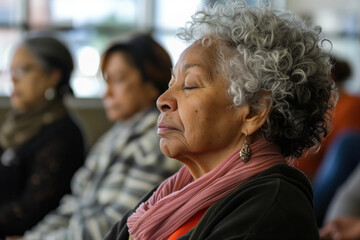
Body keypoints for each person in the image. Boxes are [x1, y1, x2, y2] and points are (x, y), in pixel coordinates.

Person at [104, 1, 335, 240]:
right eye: (171, 84)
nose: (163, 100)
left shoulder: (271, 211)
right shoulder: (174, 192)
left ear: (254, 112)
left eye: (190, 85)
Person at [17, 33, 182, 240]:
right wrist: (32, 237)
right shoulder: (114, 136)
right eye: (106, 81)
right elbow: (74, 205)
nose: (107, 93)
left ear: (151, 82)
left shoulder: (158, 142)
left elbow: (118, 223)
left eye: (118, 80)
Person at [0, 34, 86, 237]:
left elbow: (31, 212)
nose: (13, 78)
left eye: (23, 69)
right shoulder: (16, 124)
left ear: (52, 76)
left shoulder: (63, 133)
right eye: (11, 70)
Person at [297, 57, 360, 180]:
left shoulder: (351, 104)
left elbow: (340, 155)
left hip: (316, 177)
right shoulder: (315, 106)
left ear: (329, 74)